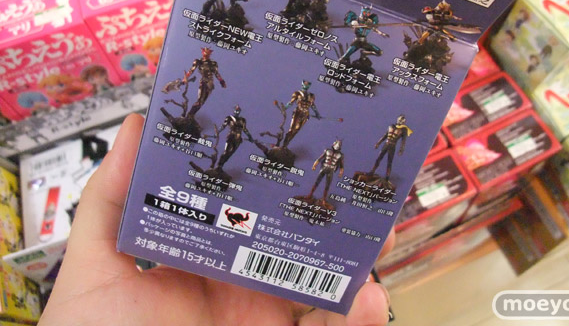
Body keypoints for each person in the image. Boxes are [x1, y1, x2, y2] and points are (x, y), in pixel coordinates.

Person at [39, 114, 394, 326]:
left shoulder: (334, 151)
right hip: (208, 266)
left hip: (261, 259)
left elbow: (331, 159)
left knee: (315, 183)